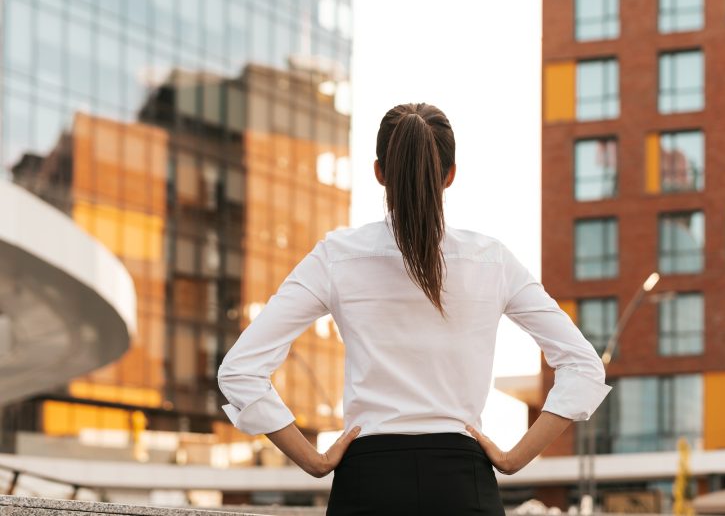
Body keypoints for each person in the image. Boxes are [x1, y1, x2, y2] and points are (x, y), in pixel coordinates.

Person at [217, 102, 613, 515]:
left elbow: (240, 370)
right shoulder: (491, 260)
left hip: (366, 484)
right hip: (465, 485)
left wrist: (312, 460)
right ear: (450, 175)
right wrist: (515, 459)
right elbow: (584, 366)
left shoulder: (336, 257)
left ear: (379, 172)